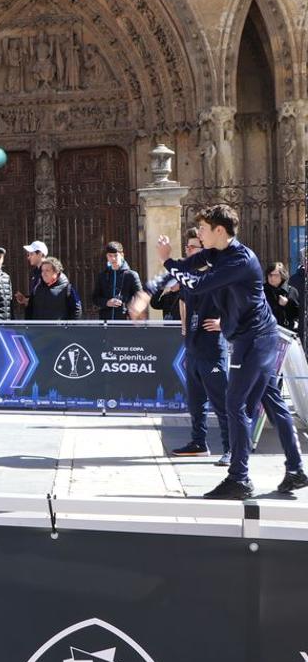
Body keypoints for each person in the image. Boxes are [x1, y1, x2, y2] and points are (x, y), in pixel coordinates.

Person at [130, 204, 306, 499]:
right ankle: (296, 470)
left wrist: (168, 262)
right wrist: (147, 291)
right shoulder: (216, 254)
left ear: (219, 231)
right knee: (272, 402)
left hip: (257, 339)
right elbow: (182, 269)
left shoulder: (240, 260)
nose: (198, 233)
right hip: (248, 338)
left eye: (203, 229)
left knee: (234, 401)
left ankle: (239, 478)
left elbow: (197, 284)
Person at [166, 231, 231, 461]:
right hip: (192, 347)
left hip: (212, 349)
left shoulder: (219, 275)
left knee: (221, 402)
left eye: (193, 247)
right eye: (187, 247)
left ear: (204, 250)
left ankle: (230, 449)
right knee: (196, 402)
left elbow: (240, 303)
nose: (188, 251)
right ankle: (198, 442)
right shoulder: (189, 275)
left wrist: (224, 322)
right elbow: (183, 300)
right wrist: (184, 326)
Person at [91, 241, 142, 321]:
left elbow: (140, 297)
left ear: (122, 255)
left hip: (126, 322)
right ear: (107, 257)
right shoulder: (102, 276)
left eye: (116, 255)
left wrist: (128, 308)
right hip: (106, 321)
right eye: (110, 256)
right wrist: (107, 302)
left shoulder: (132, 275)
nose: (113, 259)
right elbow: (95, 298)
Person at [264, 262, 299, 331]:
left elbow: (298, 315)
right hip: (266, 332)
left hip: (286, 333)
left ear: (282, 275)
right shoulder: (261, 291)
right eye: (270, 275)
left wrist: (287, 304)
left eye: (276, 275)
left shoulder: (291, 291)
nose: (272, 278)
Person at [15, 240, 48, 310]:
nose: (28, 257)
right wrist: (25, 299)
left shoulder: (49, 273)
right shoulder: (35, 272)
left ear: (40, 254)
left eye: (31, 254)